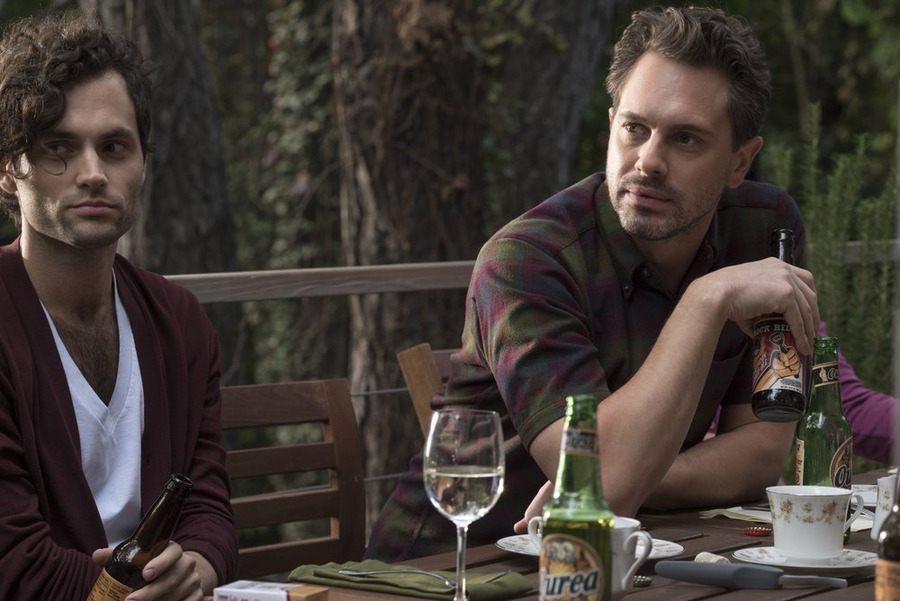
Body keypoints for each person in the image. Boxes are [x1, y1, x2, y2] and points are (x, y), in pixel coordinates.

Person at [366, 5, 821, 561]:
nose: (648, 161)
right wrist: (707, 300)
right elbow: (605, 485)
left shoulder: (764, 229)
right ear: (611, 125)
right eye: (635, 129)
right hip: (453, 568)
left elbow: (763, 453)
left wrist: (623, 475)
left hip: (620, 556)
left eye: (685, 139)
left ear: (739, 163)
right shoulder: (526, 260)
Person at [0, 15, 237, 599]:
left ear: (143, 162)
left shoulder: (179, 321)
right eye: (59, 147)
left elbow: (208, 506)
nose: (93, 174)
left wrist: (195, 568)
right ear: (8, 170)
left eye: (114, 147)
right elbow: (12, 559)